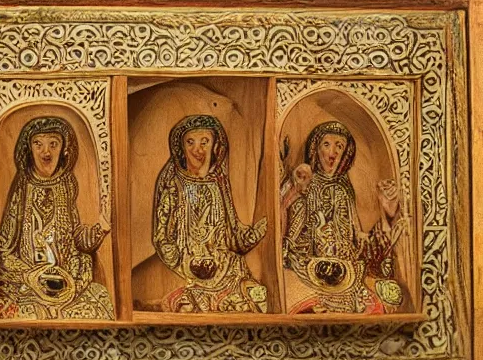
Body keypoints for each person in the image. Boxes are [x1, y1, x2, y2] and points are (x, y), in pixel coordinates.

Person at [0, 117, 115, 320]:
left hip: (65, 281)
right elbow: (3, 249)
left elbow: (77, 239)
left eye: (53, 144)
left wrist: (99, 229)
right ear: (29, 149)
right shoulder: (22, 188)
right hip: (28, 284)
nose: (46, 152)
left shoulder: (65, 185)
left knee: (100, 304)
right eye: (38, 144)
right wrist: (32, 275)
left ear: (64, 149)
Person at [282, 121, 405, 314]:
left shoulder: (344, 192)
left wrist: (387, 215)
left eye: (339, 146)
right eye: (327, 144)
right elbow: (288, 234)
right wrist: (295, 191)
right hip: (306, 272)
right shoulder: (305, 184)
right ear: (315, 148)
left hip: (347, 276)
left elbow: (360, 243)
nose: (333, 153)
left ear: (345, 153)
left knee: (384, 302)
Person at [153, 114, 268, 313]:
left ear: (215, 146)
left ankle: (230, 301)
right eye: (191, 142)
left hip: (221, 261)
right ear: (181, 147)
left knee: (240, 271)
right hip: (185, 260)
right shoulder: (174, 184)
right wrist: (172, 253)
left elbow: (232, 231)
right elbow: (162, 231)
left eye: (204, 142)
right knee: (184, 292)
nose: (198, 149)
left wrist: (256, 232)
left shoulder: (218, 184)